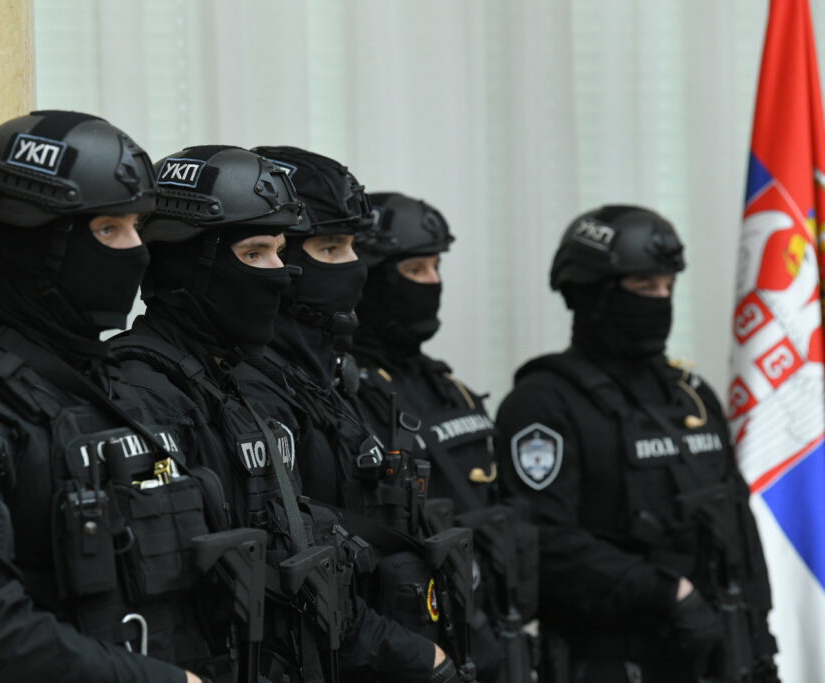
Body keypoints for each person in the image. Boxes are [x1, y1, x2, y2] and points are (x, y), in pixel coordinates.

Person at [0, 110, 222, 682]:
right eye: (109, 229)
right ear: (33, 240)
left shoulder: (125, 391)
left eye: (137, 226)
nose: (137, 251)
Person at [106, 145, 455, 683]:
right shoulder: (143, 391)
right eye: (256, 253)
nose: (281, 273)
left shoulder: (235, 381)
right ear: (188, 262)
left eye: (281, 251)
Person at [495, 205, 778, 683]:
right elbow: (545, 544)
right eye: (645, 287)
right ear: (592, 293)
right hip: (610, 662)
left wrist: (760, 641)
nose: (661, 299)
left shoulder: (690, 395)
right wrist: (667, 592)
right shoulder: (543, 404)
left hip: (722, 657)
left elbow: (738, 525)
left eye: (668, 286)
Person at [350, 193, 538, 683]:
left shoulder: (448, 387)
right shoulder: (343, 395)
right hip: (415, 655)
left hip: (491, 637)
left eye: (437, 267)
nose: (433, 282)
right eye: (415, 270)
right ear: (369, 276)